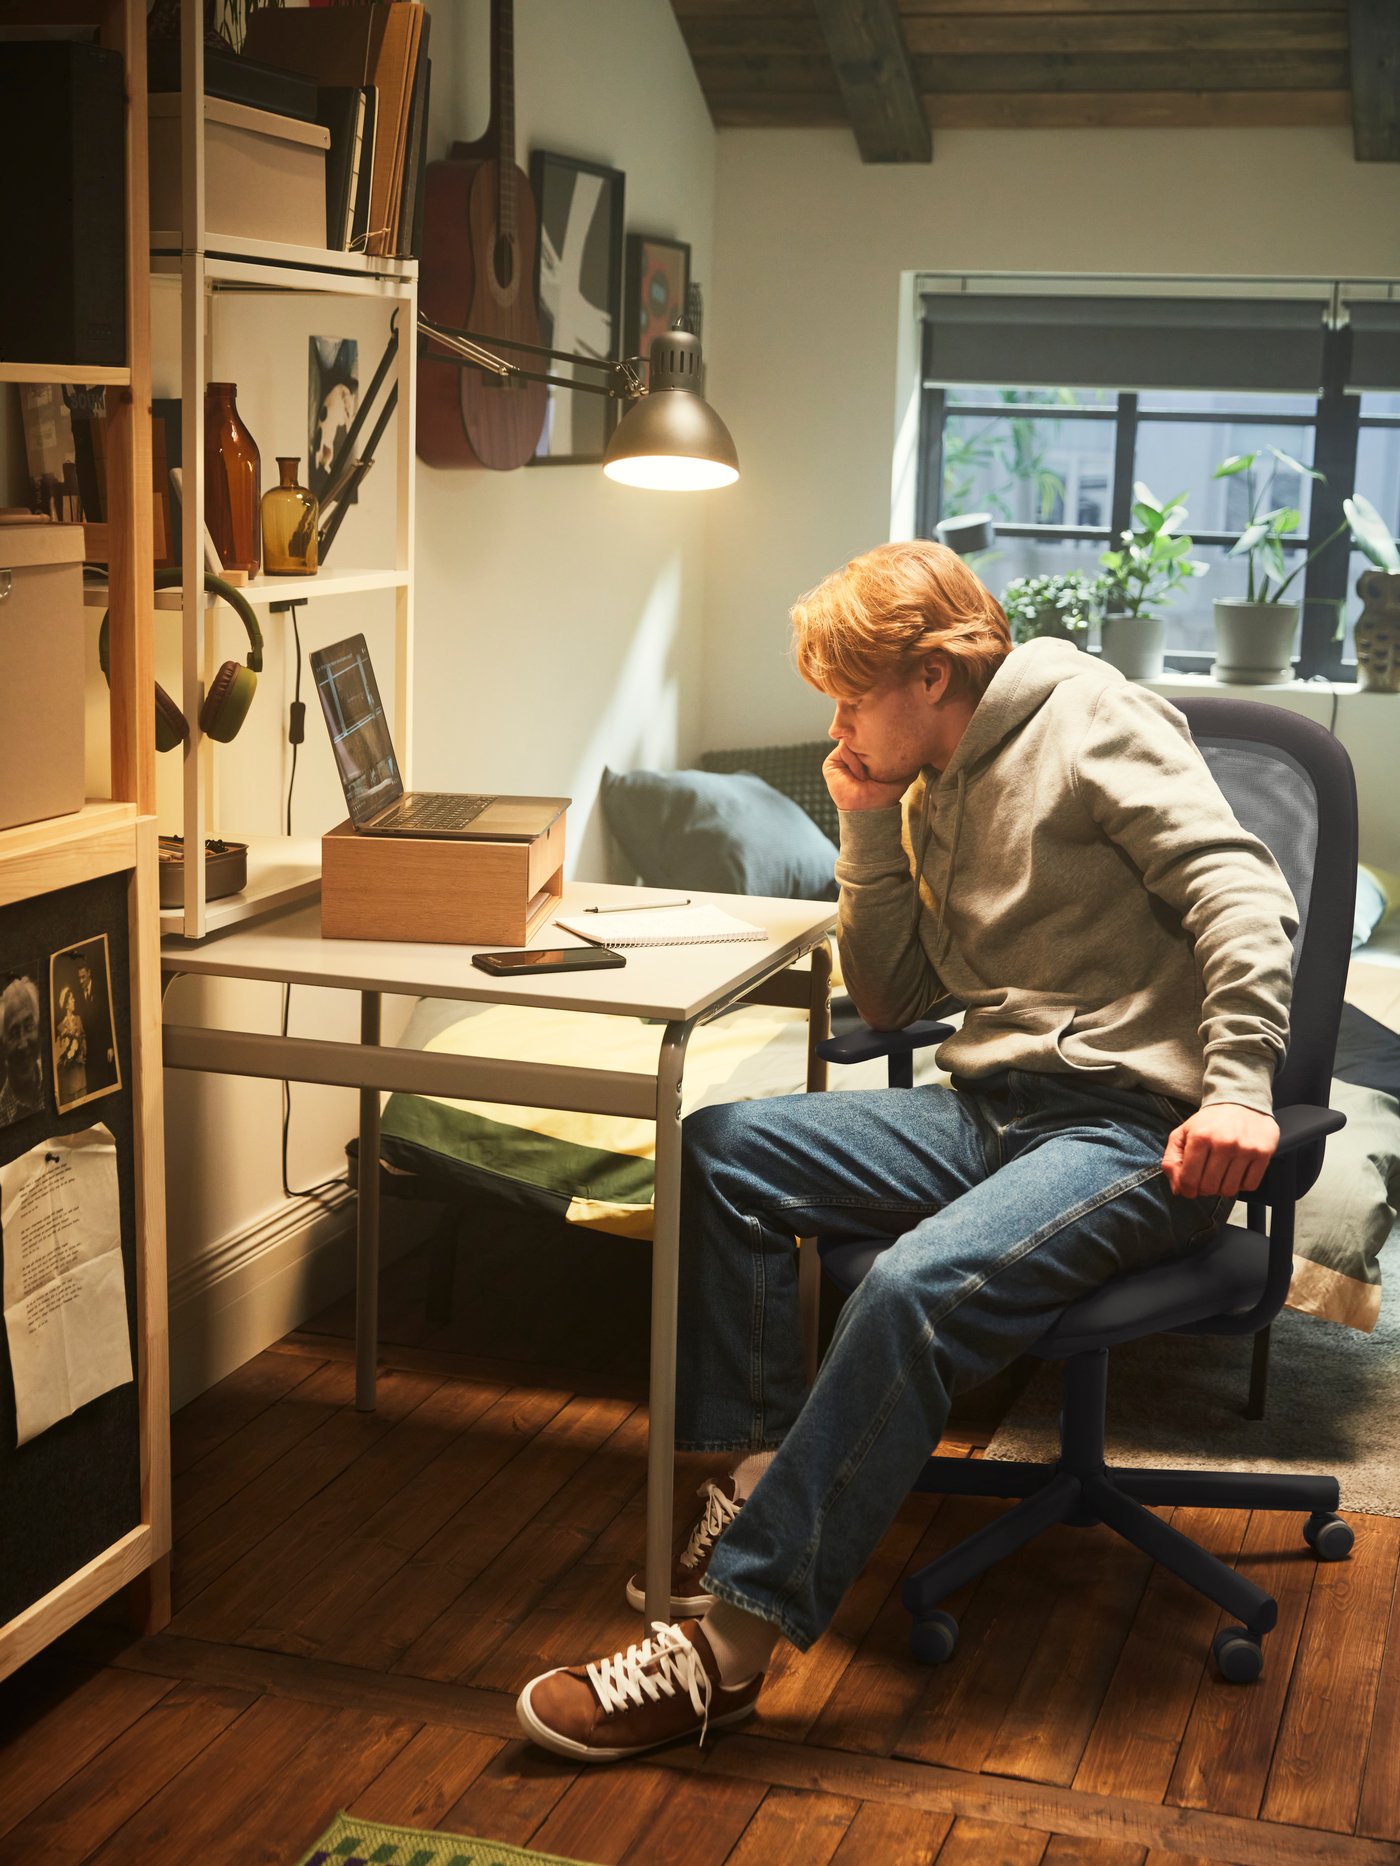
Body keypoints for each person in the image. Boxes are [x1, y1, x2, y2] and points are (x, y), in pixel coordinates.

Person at [515, 540, 1298, 1764]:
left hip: (1135, 1129)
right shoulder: (926, 780)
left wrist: (1240, 1088)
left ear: (932, 675)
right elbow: (887, 1002)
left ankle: (724, 1654)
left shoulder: (1092, 719)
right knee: (720, 1149)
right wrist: (864, 825)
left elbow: (1242, 893)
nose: (833, 726)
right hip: (990, 1108)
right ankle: (754, 1484)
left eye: (848, 699)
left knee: (909, 1286)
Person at [0, 975, 44, 1126]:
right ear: (3, 1046)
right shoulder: (2, 1116)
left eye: (28, 1026)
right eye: (13, 1033)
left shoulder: (58, 1084)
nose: (23, 1043)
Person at [55, 982, 87, 1107]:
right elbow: (60, 1054)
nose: (74, 1001)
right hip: (69, 1079)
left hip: (80, 1075)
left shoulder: (78, 1019)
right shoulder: (60, 1027)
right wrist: (68, 1056)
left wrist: (82, 1052)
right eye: (72, 999)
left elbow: (83, 1038)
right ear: (66, 1004)